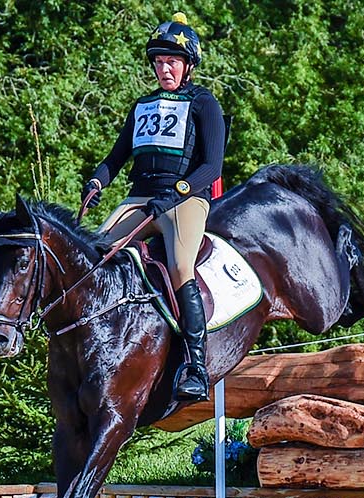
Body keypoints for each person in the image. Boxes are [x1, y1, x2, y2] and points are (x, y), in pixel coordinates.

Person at [81, 12, 226, 403]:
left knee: (181, 266)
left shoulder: (204, 103)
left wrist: (178, 191)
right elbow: (116, 157)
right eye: (160, 62)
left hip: (184, 199)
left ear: (188, 66)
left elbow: (212, 165)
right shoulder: (143, 106)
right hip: (140, 199)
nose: (165, 68)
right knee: (94, 255)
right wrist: (97, 180)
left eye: (172, 62)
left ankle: (196, 366)